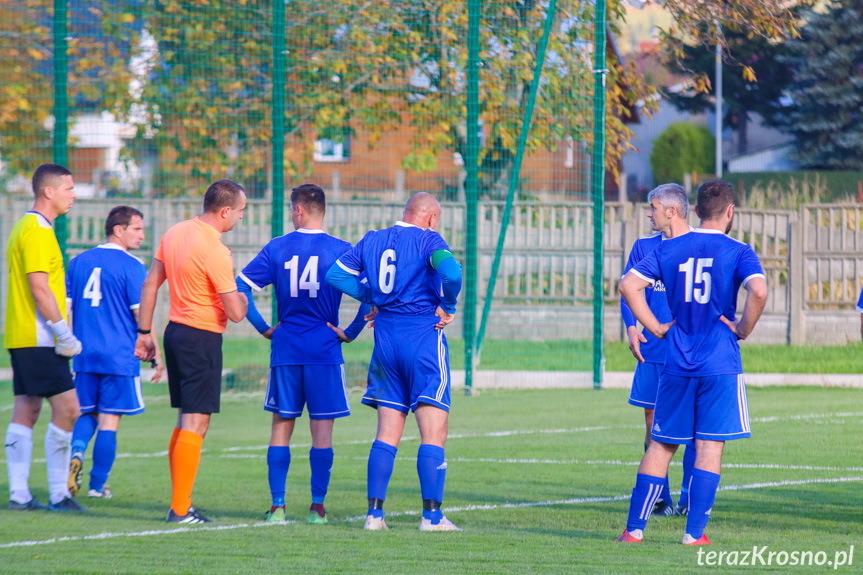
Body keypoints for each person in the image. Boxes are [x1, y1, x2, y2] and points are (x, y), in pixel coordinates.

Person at [616, 180, 767, 545]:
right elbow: (759, 291)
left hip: (677, 360)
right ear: (730, 212)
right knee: (710, 444)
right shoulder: (739, 250)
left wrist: (654, 327)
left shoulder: (670, 248)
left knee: (661, 444)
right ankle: (693, 534)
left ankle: (634, 530)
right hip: (719, 362)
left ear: (696, 211)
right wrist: (743, 328)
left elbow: (628, 286)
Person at [326, 192, 463, 532]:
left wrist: (373, 297)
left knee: (387, 431)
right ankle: (432, 517)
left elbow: (337, 275)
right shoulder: (430, 240)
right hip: (422, 339)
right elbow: (452, 272)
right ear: (430, 218)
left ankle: (374, 516)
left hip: (385, 341)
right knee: (434, 431)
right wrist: (449, 304)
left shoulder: (372, 239)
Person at [237, 183, 371, 524]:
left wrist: (264, 327)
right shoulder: (342, 250)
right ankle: (317, 508)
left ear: (298, 210)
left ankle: (278, 508)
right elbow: (371, 296)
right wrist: (350, 333)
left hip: (285, 349)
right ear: (321, 210)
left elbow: (240, 289)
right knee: (321, 433)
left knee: (281, 428)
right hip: (325, 351)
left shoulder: (276, 247)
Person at [134, 179, 248, 524]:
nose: (241, 218)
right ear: (225, 211)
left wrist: (143, 332)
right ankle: (180, 508)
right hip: (201, 338)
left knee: (186, 418)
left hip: (175, 333)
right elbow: (237, 313)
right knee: (196, 421)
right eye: (240, 212)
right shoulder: (215, 250)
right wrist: (243, 294)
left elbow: (151, 283)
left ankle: (180, 503)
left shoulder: (176, 232)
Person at [66, 206, 164, 500]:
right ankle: (97, 486)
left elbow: (68, 310)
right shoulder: (132, 266)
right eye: (137, 229)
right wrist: (156, 355)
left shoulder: (78, 262)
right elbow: (141, 319)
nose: (142, 235)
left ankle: (77, 453)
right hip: (119, 355)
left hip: (83, 355)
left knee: (88, 412)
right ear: (118, 230)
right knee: (109, 419)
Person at [4, 163, 86, 511]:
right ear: (48, 192)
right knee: (69, 409)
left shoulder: (26, 226)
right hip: (40, 337)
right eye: (68, 188)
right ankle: (58, 494)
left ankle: (20, 494)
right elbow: (40, 288)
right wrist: (63, 332)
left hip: (23, 335)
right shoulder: (37, 230)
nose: (74, 195)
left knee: (27, 408)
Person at [621, 183, 695, 517]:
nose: (647, 213)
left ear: (671, 211)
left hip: (688, 352)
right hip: (652, 350)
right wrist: (633, 327)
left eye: (652, 207)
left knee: (696, 427)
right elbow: (628, 289)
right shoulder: (643, 246)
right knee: (652, 423)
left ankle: (690, 497)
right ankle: (659, 498)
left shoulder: (699, 246)